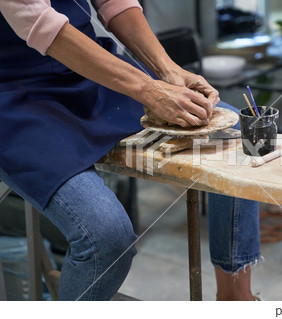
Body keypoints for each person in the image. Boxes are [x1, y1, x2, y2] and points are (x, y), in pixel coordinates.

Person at [0, 0, 261, 301]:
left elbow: (114, 3)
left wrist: (168, 71)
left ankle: (235, 297)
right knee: (106, 238)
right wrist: (148, 90)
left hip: (87, 74)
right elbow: (37, 20)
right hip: (16, 92)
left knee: (235, 134)